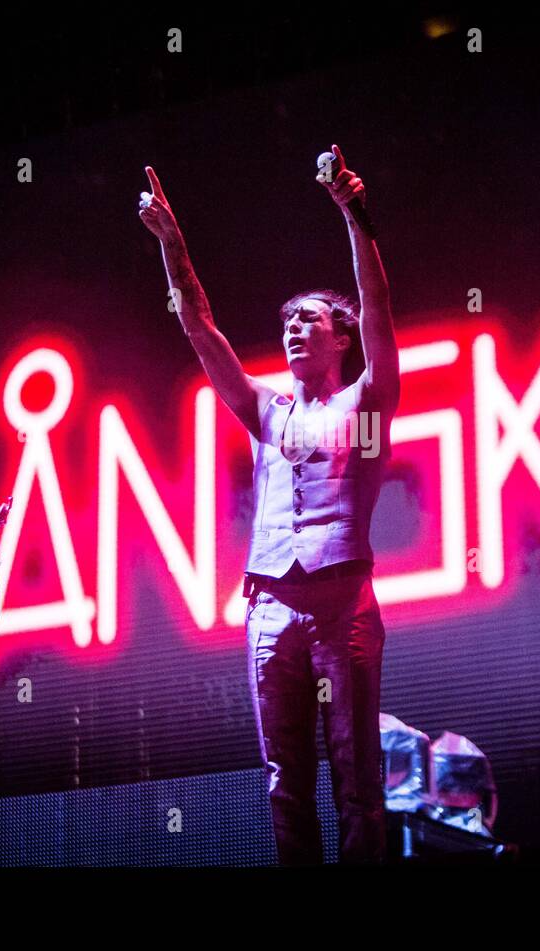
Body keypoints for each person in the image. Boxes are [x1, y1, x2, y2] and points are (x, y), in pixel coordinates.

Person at [138, 145, 399, 863]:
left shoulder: (368, 397)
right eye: (287, 322)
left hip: (342, 600)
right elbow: (199, 327)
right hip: (268, 605)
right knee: (285, 778)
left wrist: (354, 212)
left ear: (340, 337)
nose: (292, 329)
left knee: (356, 773)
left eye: (309, 319)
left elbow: (376, 304)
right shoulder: (266, 410)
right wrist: (174, 245)